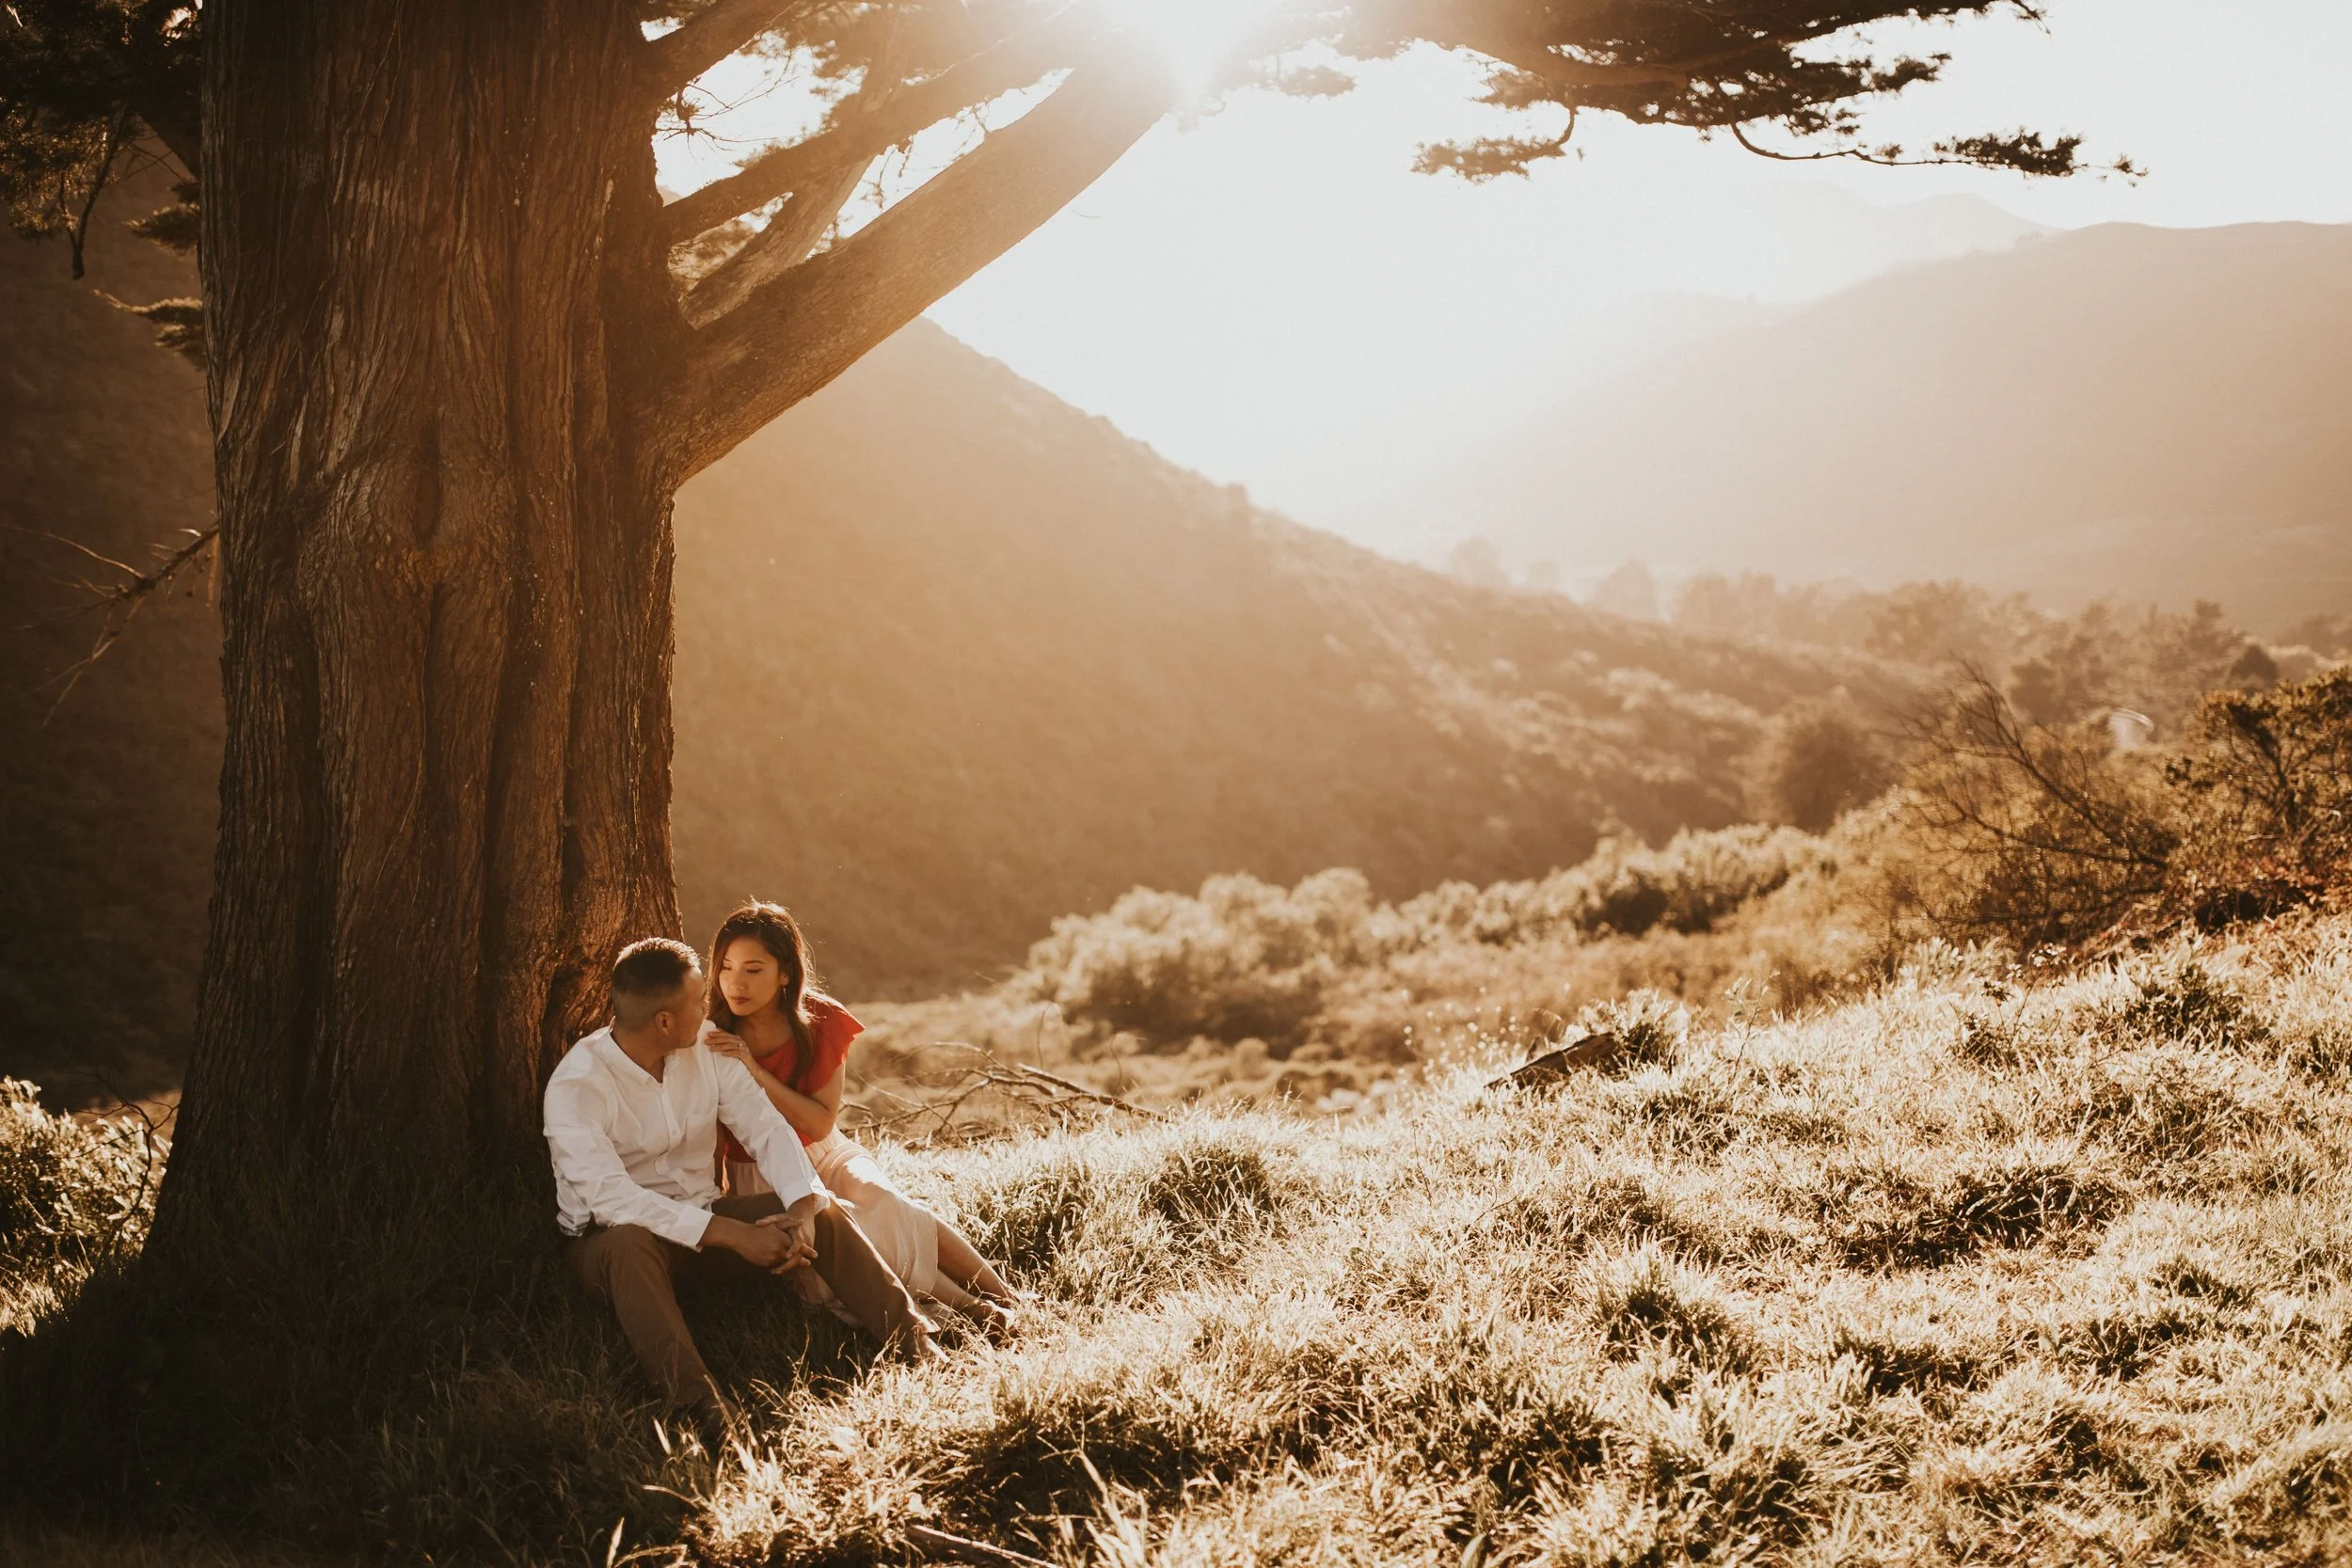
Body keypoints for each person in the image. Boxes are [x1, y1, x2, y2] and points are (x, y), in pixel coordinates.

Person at [544, 937, 936, 1438]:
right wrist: (732, 1234)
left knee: (825, 1207)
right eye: (696, 1002)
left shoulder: (705, 1046)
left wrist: (800, 1207)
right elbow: (610, 1201)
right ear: (664, 1021)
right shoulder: (577, 1086)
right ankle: (698, 1404)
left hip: (706, 1218)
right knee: (627, 1243)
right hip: (613, 1247)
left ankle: (916, 1344)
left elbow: (765, 1127)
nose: (711, 1008)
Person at [701, 900, 1025, 1339]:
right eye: (725, 967)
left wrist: (755, 1072)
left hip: (825, 1152)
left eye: (753, 970)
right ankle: (962, 1312)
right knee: (844, 1236)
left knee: (882, 1200)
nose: (735, 983)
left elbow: (817, 1123)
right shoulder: (711, 1036)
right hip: (760, 1174)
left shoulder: (820, 1020)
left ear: (785, 974)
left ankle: (1008, 1299)